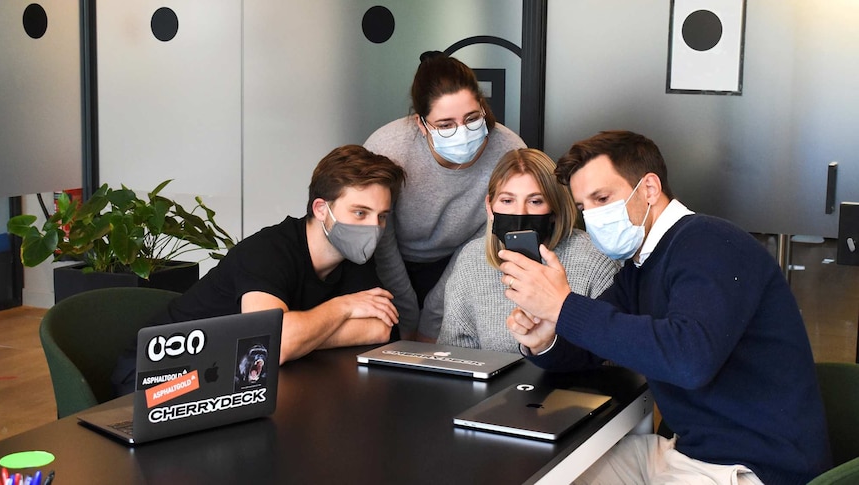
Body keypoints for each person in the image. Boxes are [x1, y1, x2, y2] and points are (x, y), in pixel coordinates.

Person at [499, 131, 832, 484]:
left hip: (752, 466)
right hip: (685, 453)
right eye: (584, 207)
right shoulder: (641, 266)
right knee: (548, 476)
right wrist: (545, 338)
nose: (593, 217)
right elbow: (587, 347)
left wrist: (563, 306)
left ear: (649, 189)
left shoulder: (710, 243)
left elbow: (688, 359)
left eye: (602, 198)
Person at [112, 145, 406, 395]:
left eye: (381, 217)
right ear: (320, 209)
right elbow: (270, 344)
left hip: (233, 382)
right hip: (161, 378)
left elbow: (380, 328)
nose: (373, 228)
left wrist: (299, 337)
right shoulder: (268, 250)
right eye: (360, 212)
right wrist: (342, 309)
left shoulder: (355, 257)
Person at [364, 51, 526, 340]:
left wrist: (433, 320)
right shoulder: (388, 149)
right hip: (389, 259)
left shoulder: (508, 152)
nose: (462, 132)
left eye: (472, 118)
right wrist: (409, 316)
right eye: (445, 125)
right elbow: (380, 238)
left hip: (463, 260)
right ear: (421, 124)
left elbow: (484, 241)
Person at [435, 148, 618, 352]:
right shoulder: (472, 258)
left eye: (535, 201)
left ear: (554, 209)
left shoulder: (594, 258)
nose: (520, 213)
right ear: (490, 206)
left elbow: (613, 358)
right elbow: (454, 351)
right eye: (507, 200)